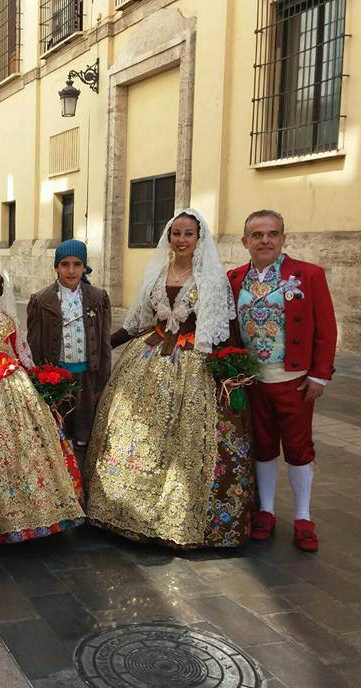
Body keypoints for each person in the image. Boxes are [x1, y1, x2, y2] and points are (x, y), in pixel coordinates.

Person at [85, 209, 255, 548]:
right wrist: (101, 344)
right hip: (149, 355)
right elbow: (137, 322)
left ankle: (182, 517)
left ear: (198, 239)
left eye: (188, 234)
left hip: (194, 363)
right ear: (169, 236)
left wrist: (226, 372)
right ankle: (127, 510)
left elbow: (219, 331)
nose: (181, 239)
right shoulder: (156, 274)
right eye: (176, 233)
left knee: (188, 436)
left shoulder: (210, 278)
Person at [228, 209, 336, 552]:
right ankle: (267, 511)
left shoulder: (308, 275)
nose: (265, 240)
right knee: (262, 446)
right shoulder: (233, 279)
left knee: (298, 448)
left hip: (295, 381)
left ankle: (303, 516)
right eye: (257, 235)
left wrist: (319, 375)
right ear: (245, 242)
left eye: (272, 234)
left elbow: (326, 329)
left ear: (283, 238)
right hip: (252, 381)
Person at [0, 265, 84, 543]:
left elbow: (21, 352)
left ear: (2, 289)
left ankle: (34, 511)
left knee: (25, 443)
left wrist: (40, 382)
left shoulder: (9, 321)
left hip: (13, 386)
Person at [26, 240, 112, 459]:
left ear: (84, 267)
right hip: (56, 380)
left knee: (85, 431)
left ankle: (83, 475)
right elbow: (34, 345)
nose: (71, 270)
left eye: (77, 264)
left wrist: (102, 381)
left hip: (87, 377)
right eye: (65, 264)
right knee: (58, 434)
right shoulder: (41, 300)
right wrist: (39, 380)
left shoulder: (97, 298)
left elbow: (104, 344)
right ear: (56, 267)